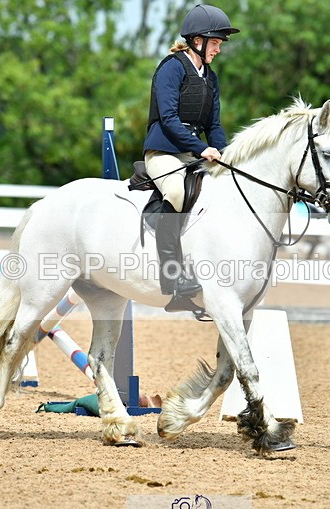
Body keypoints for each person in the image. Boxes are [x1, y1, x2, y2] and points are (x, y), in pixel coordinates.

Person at [142, 4, 239, 310]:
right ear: (198, 41)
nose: (219, 50)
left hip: (191, 153)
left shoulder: (210, 76)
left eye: (220, 45)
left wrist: (222, 153)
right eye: (216, 43)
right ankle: (173, 279)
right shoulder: (171, 67)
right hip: (163, 150)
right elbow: (168, 119)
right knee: (175, 191)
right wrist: (201, 149)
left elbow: (214, 125)